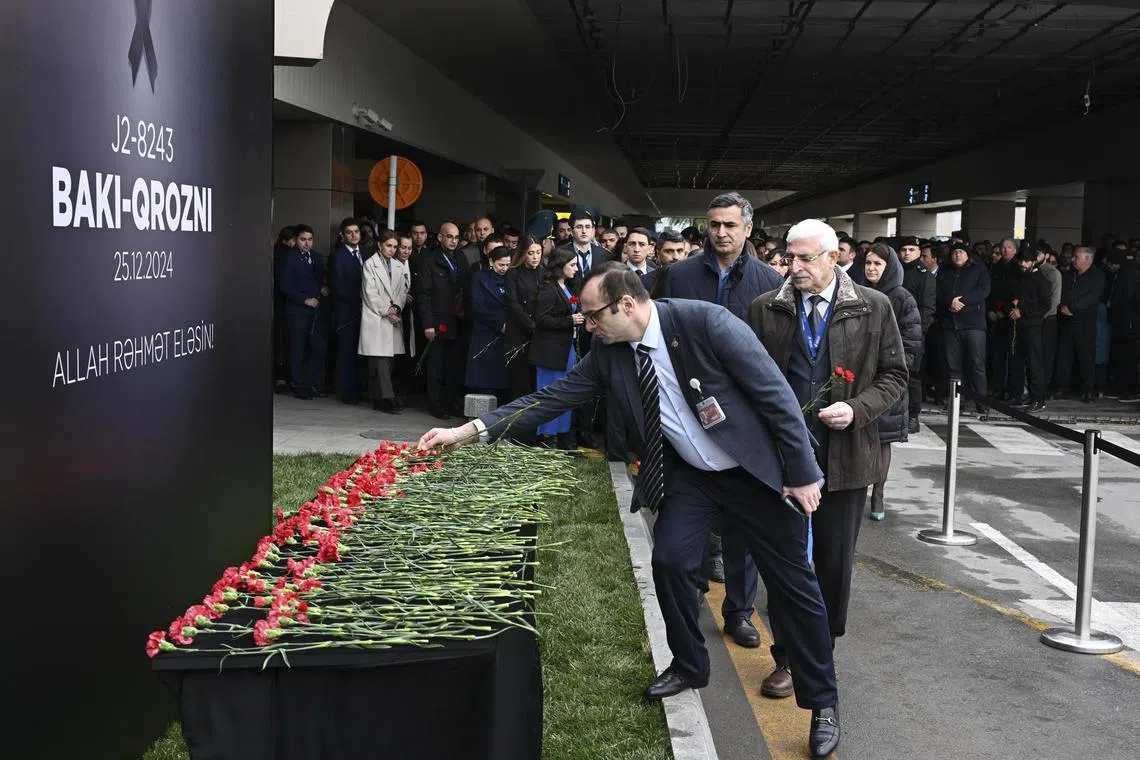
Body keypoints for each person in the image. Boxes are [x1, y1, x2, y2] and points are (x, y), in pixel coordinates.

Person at [417, 266, 842, 758]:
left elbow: (778, 398)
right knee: (671, 561)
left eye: (593, 315)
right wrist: (467, 432)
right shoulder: (609, 354)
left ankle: (823, 702)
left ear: (624, 305)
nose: (586, 325)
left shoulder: (707, 323)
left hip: (757, 474)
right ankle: (689, 663)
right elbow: (549, 398)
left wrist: (803, 471)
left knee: (793, 587)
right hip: (692, 477)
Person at [750, 219, 906, 703]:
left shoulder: (874, 307)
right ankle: (787, 657)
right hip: (781, 462)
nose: (792, 267)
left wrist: (857, 409)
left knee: (833, 564)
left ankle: (821, 652)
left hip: (846, 458)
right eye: (788, 257)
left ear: (833, 257)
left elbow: (895, 375)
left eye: (804, 258)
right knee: (785, 563)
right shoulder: (765, 309)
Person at [657, 191, 784, 650]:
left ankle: (738, 611)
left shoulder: (771, 282)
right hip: (687, 417)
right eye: (715, 224)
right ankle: (689, 593)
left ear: (748, 229)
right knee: (686, 516)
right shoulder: (679, 275)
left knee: (742, 527)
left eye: (731, 225)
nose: (722, 232)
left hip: (745, 422)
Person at [862, 244, 922, 521]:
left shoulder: (902, 298)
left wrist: (894, 370)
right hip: (858, 378)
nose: (871, 268)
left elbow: (912, 341)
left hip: (887, 379)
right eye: (869, 263)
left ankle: (879, 491)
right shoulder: (857, 291)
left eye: (878, 264)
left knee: (882, 439)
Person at [529, 248, 585, 449]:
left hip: (565, 349)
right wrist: (569, 320)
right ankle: (546, 436)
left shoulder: (567, 286)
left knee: (564, 393)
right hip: (550, 352)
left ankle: (561, 434)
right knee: (549, 394)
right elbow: (541, 319)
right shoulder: (547, 289)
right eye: (572, 265)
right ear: (560, 266)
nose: (576, 269)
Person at [935, 241, 991, 414]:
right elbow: (937, 292)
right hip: (950, 324)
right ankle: (956, 401)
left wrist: (962, 302)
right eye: (954, 252)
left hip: (973, 323)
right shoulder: (944, 271)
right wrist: (949, 302)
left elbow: (984, 290)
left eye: (961, 252)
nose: (957, 255)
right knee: (953, 366)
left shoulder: (979, 269)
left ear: (968, 255)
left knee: (976, 364)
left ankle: (981, 401)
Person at [359, 231, 409, 413]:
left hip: (392, 317)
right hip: (376, 317)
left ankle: (378, 398)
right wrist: (386, 310)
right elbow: (370, 293)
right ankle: (386, 399)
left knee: (388, 361)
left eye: (395, 246)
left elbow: (403, 291)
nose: (392, 249)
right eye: (389, 245)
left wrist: (396, 308)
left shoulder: (398, 265)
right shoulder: (370, 264)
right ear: (379, 245)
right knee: (380, 361)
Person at [279, 224, 328, 399]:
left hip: (315, 310)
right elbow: (284, 285)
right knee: (298, 347)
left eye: (309, 239)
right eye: (303, 239)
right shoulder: (288, 257)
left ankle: (311, 382)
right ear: (296, 240)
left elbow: (322, 277)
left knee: (313, 347)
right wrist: (304, 300)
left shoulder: (315, 257)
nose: (307, 243)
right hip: (297, 310)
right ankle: (299, 384)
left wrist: (324, 288)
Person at [465, 247, 512, 404]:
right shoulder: (480, 277)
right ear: (491, 261)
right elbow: (477, 306)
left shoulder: (511, 277)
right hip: (486, 332)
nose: (504, 269)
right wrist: (499, 324)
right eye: (501, 265)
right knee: (486, 378)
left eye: (507, 265)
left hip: (509, 332)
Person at [330, 217, 367, 404]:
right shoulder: (339, 257)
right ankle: (346, 392)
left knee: (361, 353)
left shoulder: (366, 253)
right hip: (347, 312)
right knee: (346, 353)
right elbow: (338, 287)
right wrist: (357, 302)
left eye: (356, 231)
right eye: (349, 232)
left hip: (365, 312)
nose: (354, 235)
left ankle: (358, 390)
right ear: (343, 235)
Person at [505, 236, 545, 403]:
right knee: (520, 379)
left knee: (536, 378)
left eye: (538, 252)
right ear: (523, 254)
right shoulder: (513, 273)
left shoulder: (544, 271)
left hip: (540, 332)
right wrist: (531, 325)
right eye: (531, 253)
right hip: (520, 332)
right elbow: (513, 303)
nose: (535, 257)